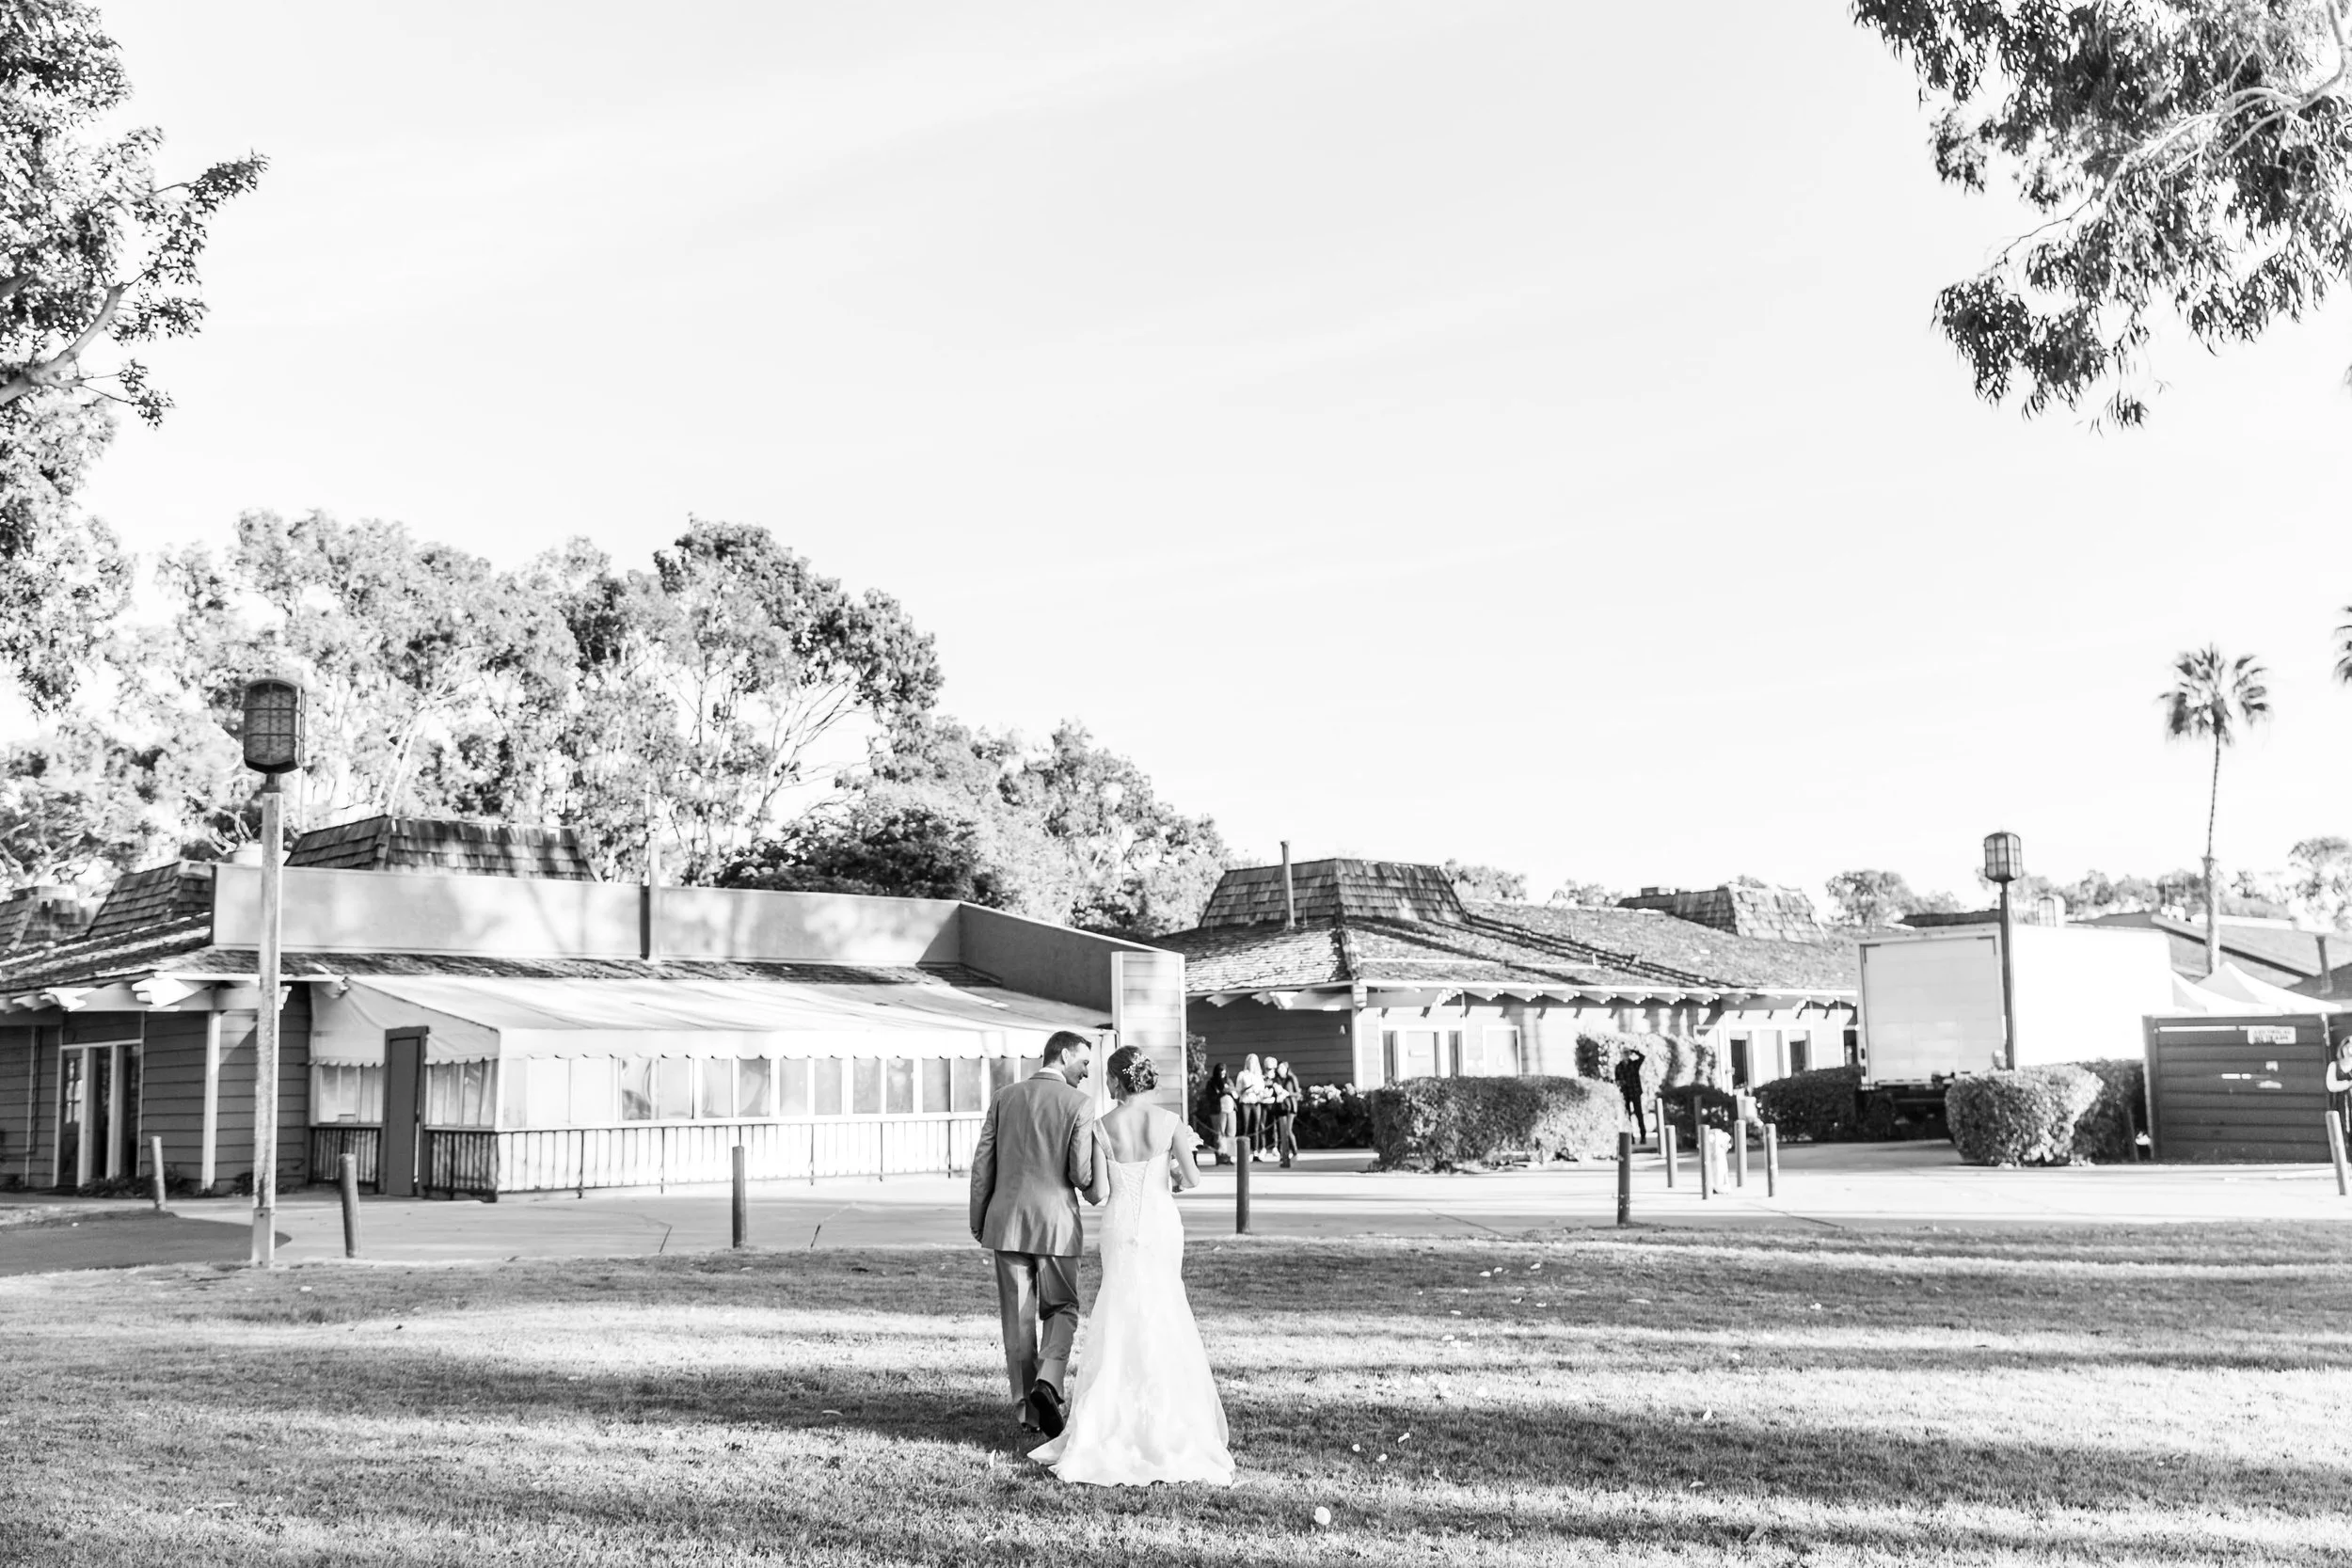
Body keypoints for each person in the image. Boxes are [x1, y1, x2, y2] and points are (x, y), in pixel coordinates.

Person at [1031, 1044, 1234, 1486]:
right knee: (1165, 1308)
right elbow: (1192, 1178)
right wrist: (1172, 1179)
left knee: (1120, 1312)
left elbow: (1101, 1193)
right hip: (1162, 1224)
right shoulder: (1170, 1123)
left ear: (1117, 1081)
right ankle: (1172, 1421)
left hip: (1121, 1226)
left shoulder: (1103, 1127)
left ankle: (1110, 1422)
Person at [969, 1029, 1098, 1437]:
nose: (1086, 1073)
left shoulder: (1004, 1097)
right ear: (1062, 1056)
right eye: (1083, 1063)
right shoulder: (1079, 1104)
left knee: (1018, 1320)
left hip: (1005, 1222)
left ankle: (1029, 1413)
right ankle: (1050, 1380)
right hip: (1056, 1222)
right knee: (1062, 1307)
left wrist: (980, 1218)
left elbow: (982, 1164)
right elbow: (1079, 1173)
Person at [1234, 1053, 1272, 1161]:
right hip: (1246, 1101)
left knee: (1256, 1126)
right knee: (1246, 1125)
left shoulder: (1258, 1076)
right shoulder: (1242, 1074)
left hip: (1256, 1102)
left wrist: (1259, 1091)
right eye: (1250, 1062)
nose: (1252, 1064)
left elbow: (1261, 1089)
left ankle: (1256, 1151)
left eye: (1254, 1062)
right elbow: (1238, 1091)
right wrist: (1246, 1089)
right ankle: (1245, 1151)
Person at [1268, 1058, 1301, 1167]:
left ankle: (1295, 1151)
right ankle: (1284, 1154)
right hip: (1280, 1107)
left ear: (1287, 1069)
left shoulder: (1291, 1078)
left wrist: (1288, 1094)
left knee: (1287, 1130)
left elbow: (1298, 1094)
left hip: (1290, 1107)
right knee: (1281, 1130)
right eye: (1279, 1067)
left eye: (1283, 1067)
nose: (1280, 1069)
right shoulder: (1276, 1080)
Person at [1200, 1062, 1232, 1166]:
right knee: (1219, 1133)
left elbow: (1234, 1091)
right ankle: (1220, 1156)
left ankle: (1228, 1156)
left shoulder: (1228, 1081)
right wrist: (1222, 1093)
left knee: (1230, 1133)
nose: (1222, 1072)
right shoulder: (1212, 1083)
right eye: (1220, 1070)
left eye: (1224, 1070)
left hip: (1230, 1109)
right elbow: (1211, 1097)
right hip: (1217, 1110)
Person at [1613, 1047, 1649, 1140]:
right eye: (1624, 1053)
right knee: (1627, 1116)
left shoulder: (1634, 1064)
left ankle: (1643, 1136)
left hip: (1635, 1092)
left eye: (1627, 1053)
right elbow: (1616, 1080)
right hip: (1626, 1094)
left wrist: (1633, 1051)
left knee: (1639, 1114)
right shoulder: (1618, 1067)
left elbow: (1642, 1057)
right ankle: (1631, 1137)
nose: (1625, 1055)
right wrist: (1621, 1083)